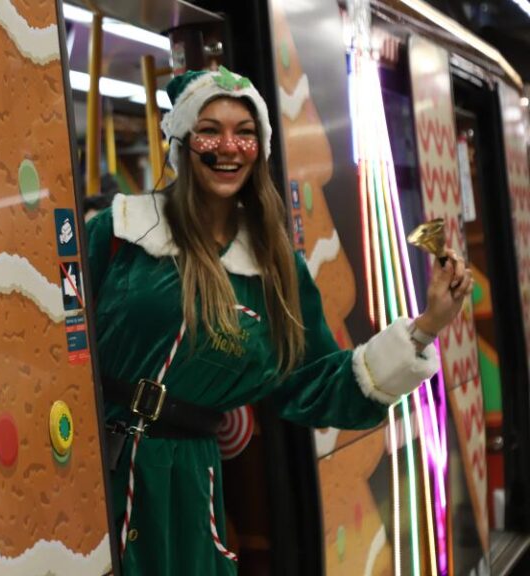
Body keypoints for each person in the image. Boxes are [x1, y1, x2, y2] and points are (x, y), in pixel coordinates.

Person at [85, 66, 472, 575]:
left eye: (244, 133)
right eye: (210, 129)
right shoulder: (119, 231)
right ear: (181, 140)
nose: (228, 146)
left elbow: (316, 382)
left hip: (190, 488)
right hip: (96, 469)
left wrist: (424, 326)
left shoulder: (275, 269)